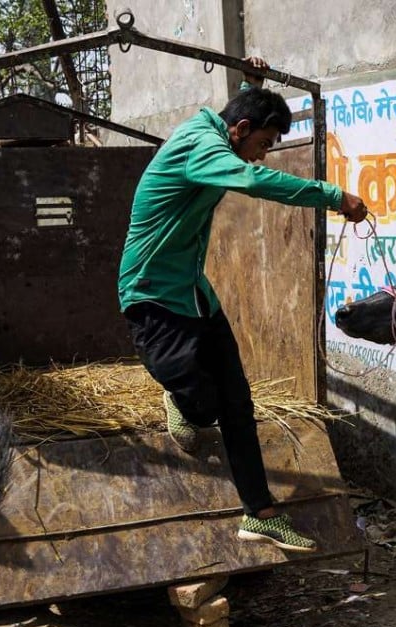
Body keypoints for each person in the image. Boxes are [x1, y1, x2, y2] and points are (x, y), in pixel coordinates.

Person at [118, 57, 368, 553]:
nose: (262, 156)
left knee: (238, 405)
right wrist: (333, 196)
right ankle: (180, 399)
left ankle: (261, 513)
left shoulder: (218, 132)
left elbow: (236, 129)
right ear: (242, 129)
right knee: (204, 406)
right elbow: (251, 182)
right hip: (152, 297)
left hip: (195, 295)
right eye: (263, 144)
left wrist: (249, 85)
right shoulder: (199, 144)